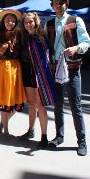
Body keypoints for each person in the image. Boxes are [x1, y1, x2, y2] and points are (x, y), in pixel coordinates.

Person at [45, 0, 90, 156]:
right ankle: (59, 137)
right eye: (56, 2)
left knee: (75, 107)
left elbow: (87, 41)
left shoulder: (75, 20)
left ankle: (82, 141)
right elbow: (46, 44)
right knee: (57, 106)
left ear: (66, 4)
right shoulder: (49, 24)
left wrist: (77, 48)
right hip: (55, 69)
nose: (58, 5)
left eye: (61, 2)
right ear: (52, 5)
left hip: (72, 69)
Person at [19, 12, 59, 149]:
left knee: (41, 106)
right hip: (27, 72)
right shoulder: (23, 38)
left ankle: (44, 136)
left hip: (40, 74)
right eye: (26, 22)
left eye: (31, 22)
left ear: (36, 22)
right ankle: (30, 130)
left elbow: (48, 57)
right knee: (31, 104)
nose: (29, 24)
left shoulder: (42, 38)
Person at [0, 9, 26, 139]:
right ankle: (6, 130)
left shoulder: (20, 34)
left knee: (15, 99)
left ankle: (4, 121)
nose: (10, 22)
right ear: (3, 21)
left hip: (15, 68)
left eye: (13, 20)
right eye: (8, 19)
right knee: (3, 98)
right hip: (1, 68)